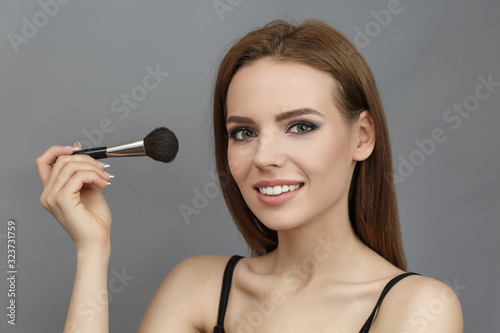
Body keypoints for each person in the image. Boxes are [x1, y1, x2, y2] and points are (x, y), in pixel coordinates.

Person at [36, 19, 463, 332]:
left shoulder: (417, 309)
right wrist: (93, 251)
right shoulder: (198, 286)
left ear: (362, 137)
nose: (264, 156)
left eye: (300, 126)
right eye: (243, 132)